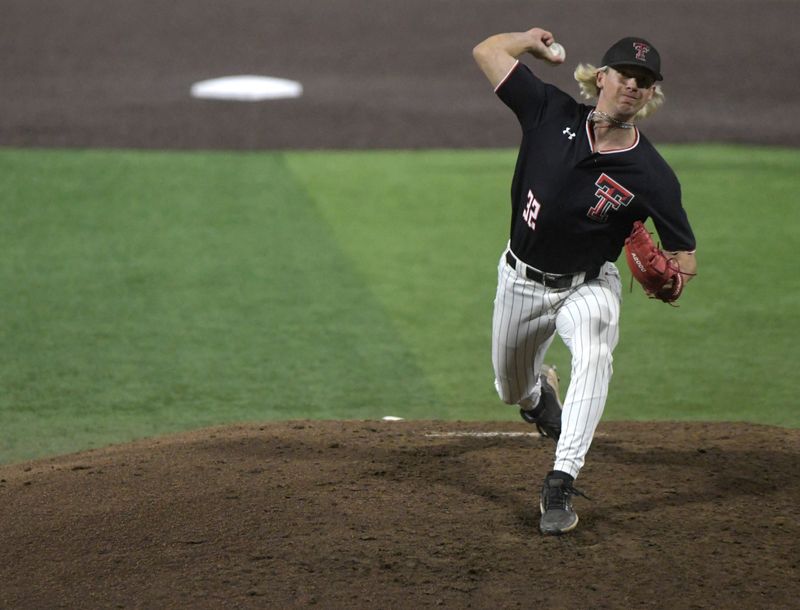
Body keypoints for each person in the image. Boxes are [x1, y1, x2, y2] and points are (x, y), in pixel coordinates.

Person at [472, 28, 697, 535]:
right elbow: (486, 52)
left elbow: (686, 254)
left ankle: (560, 480)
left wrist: (674, 279)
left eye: (645, 81)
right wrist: (530, 41)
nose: (634, 86)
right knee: (510, 389)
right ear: (602, 78)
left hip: (588, 285)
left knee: (595, 352)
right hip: (521, 282)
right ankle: (537, 397)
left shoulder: (652, 174)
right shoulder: (549, 112)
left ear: (651, 94)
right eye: (626, 75)